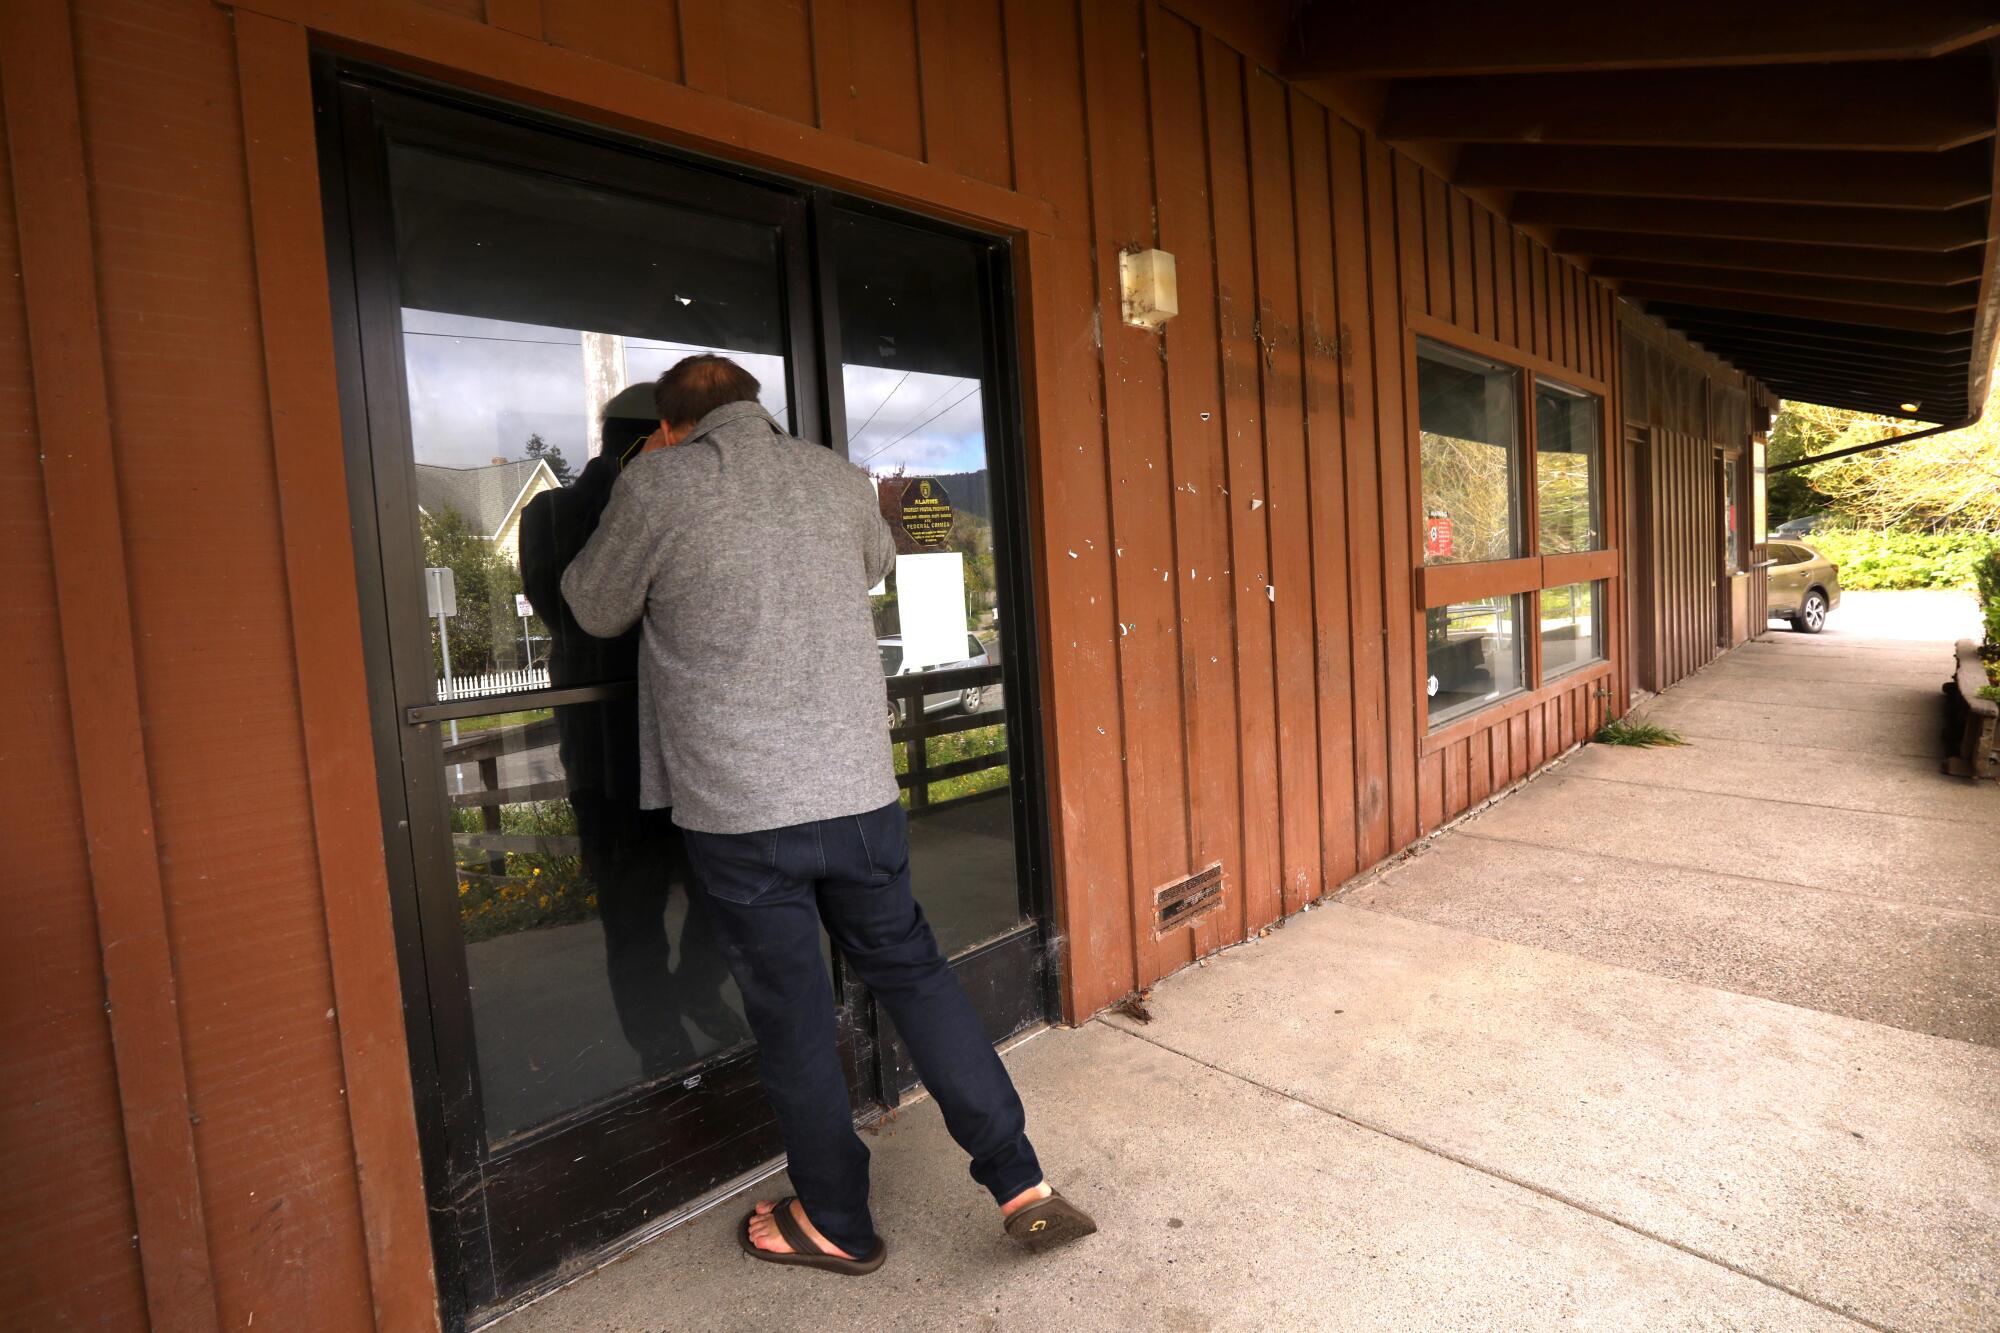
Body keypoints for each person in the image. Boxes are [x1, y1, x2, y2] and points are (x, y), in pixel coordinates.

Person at [561, 354, 1093, 1275]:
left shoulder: (658, 482)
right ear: (756, 409)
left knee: (794, 1016)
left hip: (743, 811)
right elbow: (878, 560)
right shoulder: (838, 479)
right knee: (916, 975)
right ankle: (1020, 1180)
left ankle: (840, 1220)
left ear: (674, 423)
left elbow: (593, 605)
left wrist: (631, 473)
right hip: (858, 797)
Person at [518, 390, 747, 1080]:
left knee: (725, 891)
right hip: (610, 752)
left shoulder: (682, 508)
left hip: (691, 745)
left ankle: (697, 987)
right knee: (632, 909)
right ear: (653, 440)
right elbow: (575, 613)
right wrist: (629, 496)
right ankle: (657, 1038)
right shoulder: (554, 513)